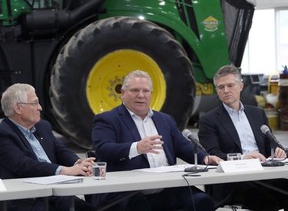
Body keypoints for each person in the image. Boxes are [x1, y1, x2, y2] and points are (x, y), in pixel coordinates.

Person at [91, 70, 222, 211]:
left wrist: (204, 158)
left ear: (151, 94)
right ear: (123, 93)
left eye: (145, 91)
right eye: (135, 90)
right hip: (130, 193)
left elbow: (183, 146)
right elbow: (103, 150)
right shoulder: (107, 119)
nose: (141, 95)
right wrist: (137, 148)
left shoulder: (165, 119)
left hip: (167, 188)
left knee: (202, 202)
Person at [198, 65, 288, 211]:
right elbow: (213, 155)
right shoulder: (209, 120)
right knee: (262, 199)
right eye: (221, 87)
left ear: (241, 86)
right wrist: (242, 158)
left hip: (262, 173)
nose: (226, 90)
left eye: (230, 85)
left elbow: (269, 144)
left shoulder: (257, 114)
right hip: (232, 180)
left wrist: (277, 151)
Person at [0, 83, 96, 211]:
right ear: (18, 108)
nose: (39, 108)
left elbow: (61, 151)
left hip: (57, 194)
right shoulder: (4, 133)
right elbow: (23, 165)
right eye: (34, 103)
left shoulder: (43, 126)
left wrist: (78, 162)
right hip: (29, 199)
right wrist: (64, 170)